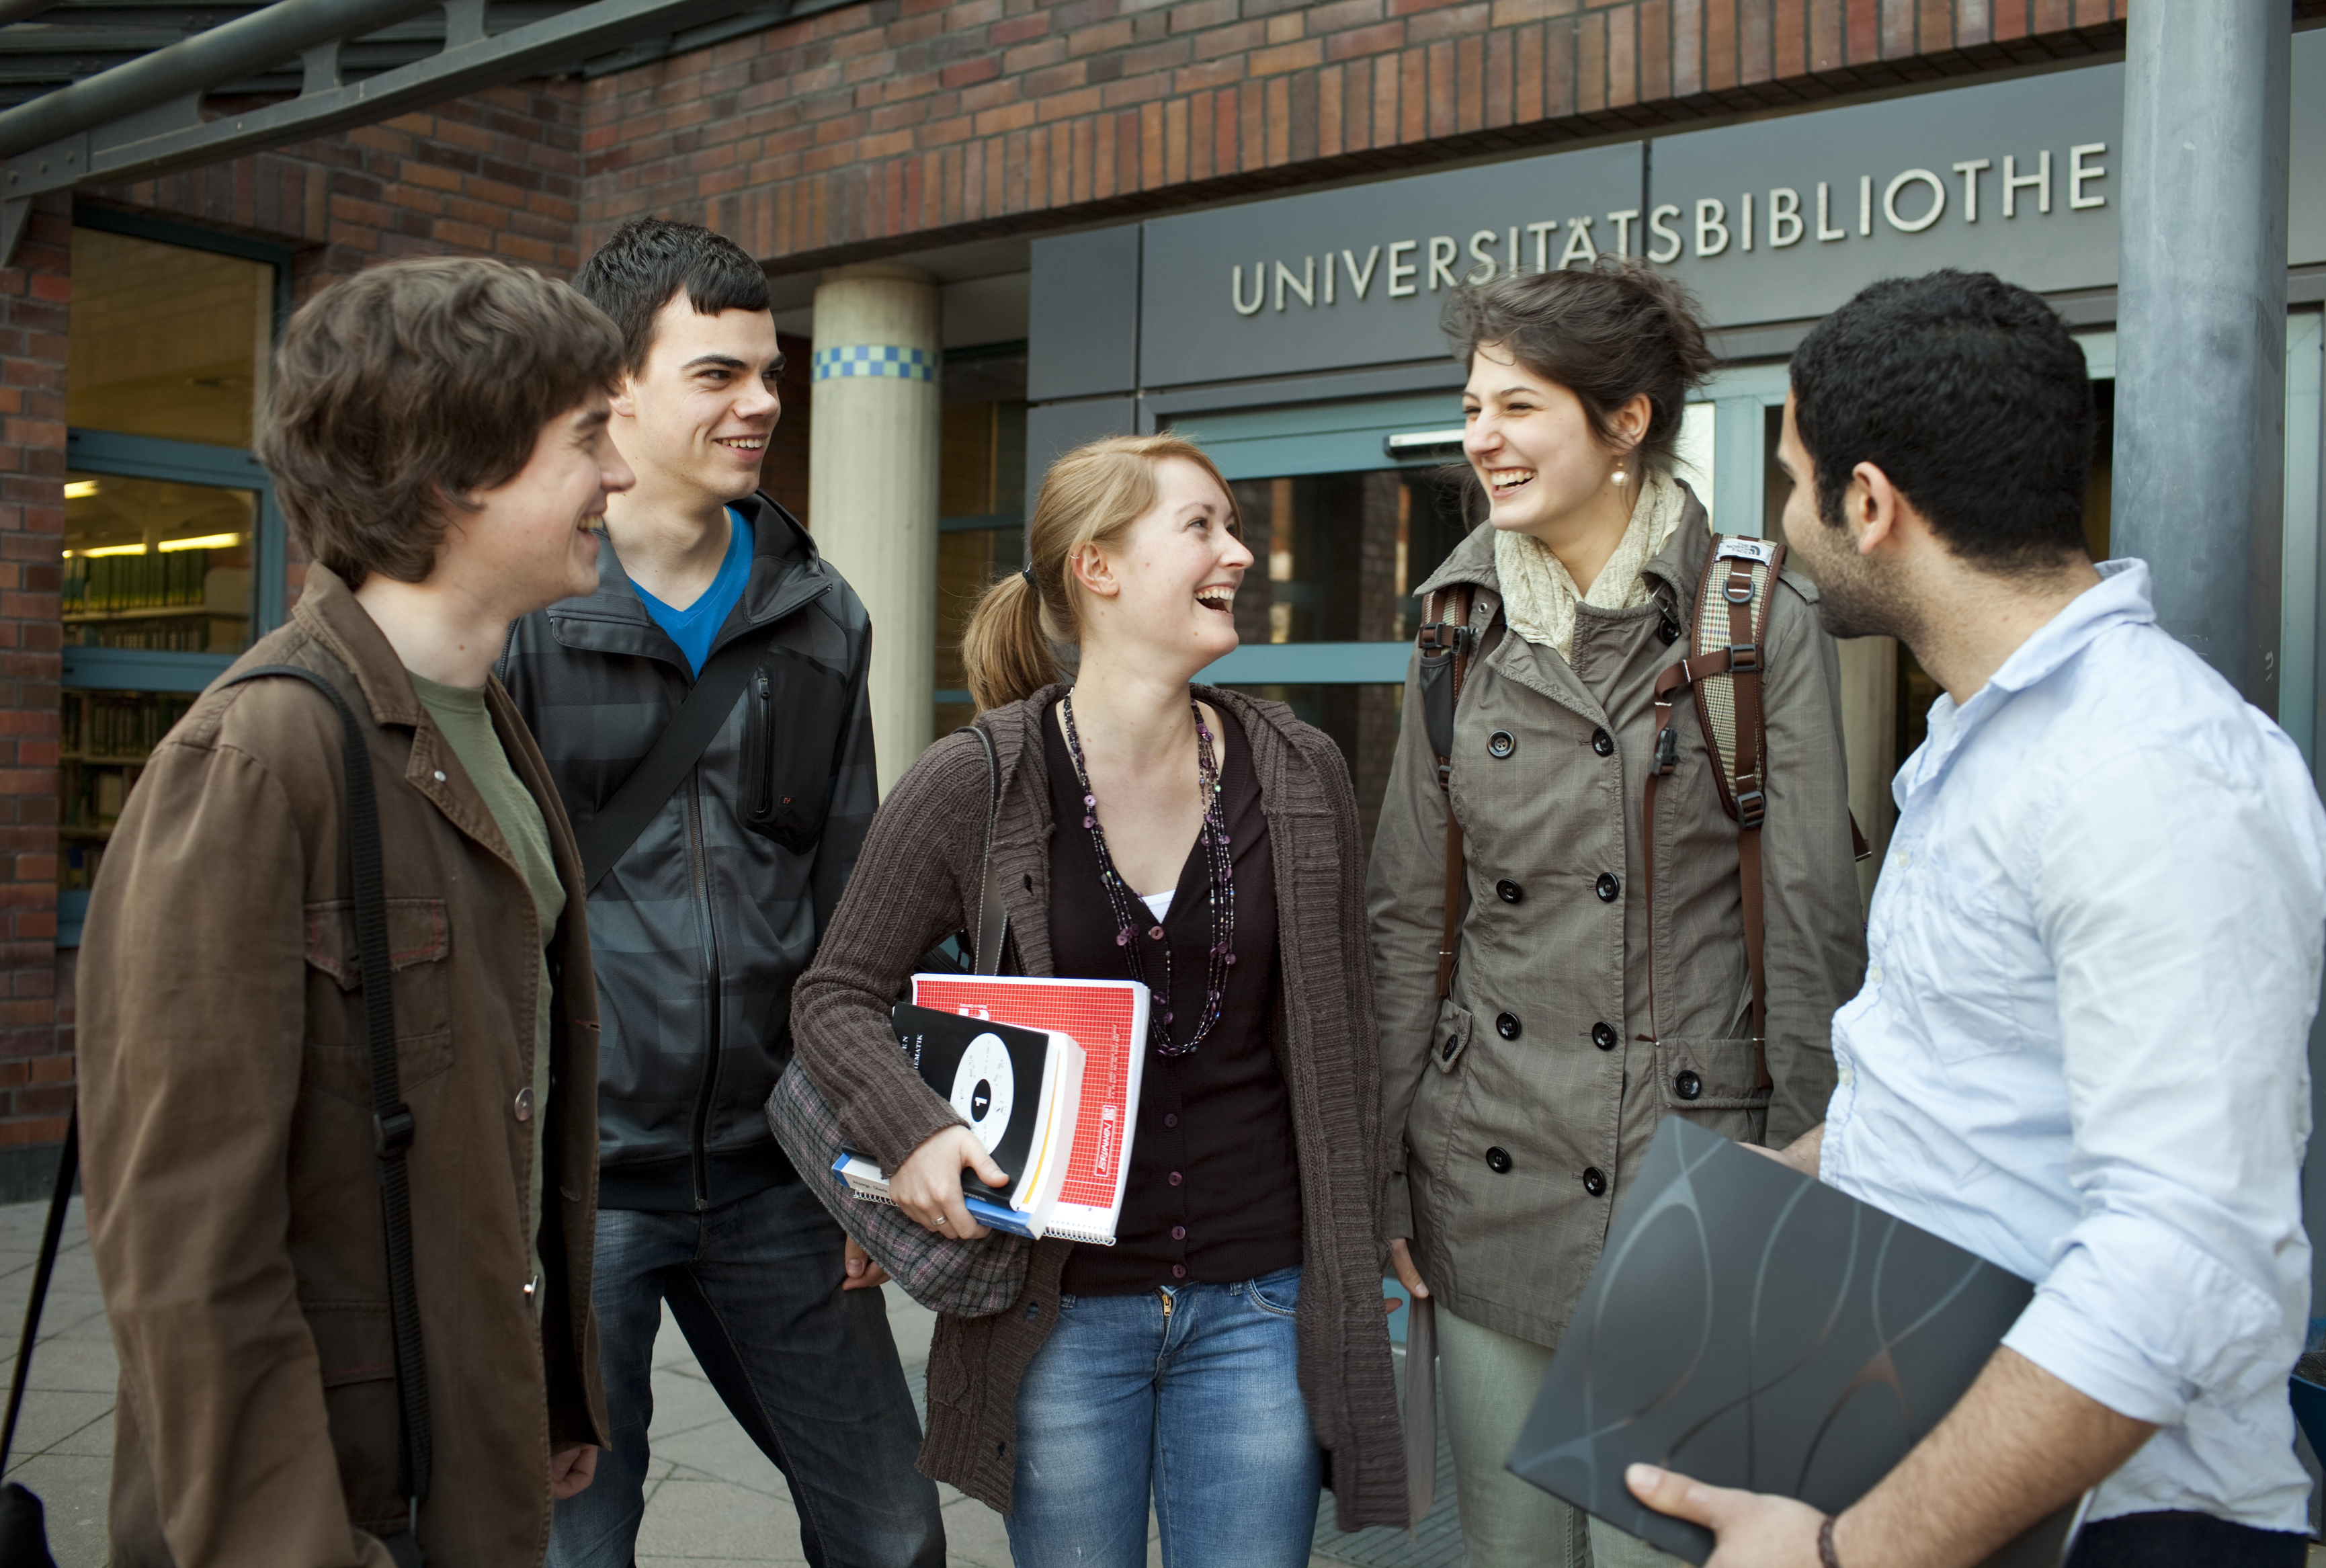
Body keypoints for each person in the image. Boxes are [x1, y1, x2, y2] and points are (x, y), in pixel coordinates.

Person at [1626, 270, 2326, 1567]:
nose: (1780, 528)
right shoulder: (1985, 736)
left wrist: (1850, 1555)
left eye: (1793, 484)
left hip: (2109, 1528)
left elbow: (2180, 1263)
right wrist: (1792, 1177)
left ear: (1870, 504)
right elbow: (2004, 1097)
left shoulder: (2150, 771)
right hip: (1943, 1465)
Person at [77, 256, 629, 1566]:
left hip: (466, 1471)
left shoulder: (486, 719)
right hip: (333, 1516)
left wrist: (548, 1387)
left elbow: (502, 1098)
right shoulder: (259, 761)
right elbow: (186, 1253)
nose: (617, 476)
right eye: (588, 438)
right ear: (457, 475)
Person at [790, 433, 1409, 1565]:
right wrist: (915, 1130)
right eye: (1203, 527)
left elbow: (1349, 1030)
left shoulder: (1298, 767)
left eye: (1233, 525)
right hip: (1060, 1318)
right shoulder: (976, 776)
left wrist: (1375, 1217)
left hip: (1260, 1302)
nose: (1241, 552)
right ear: (1099, 567)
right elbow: (833, 995)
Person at [1367, 260, 1867, 1568]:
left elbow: (1811, 913)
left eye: (1519, 406)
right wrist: (1381, 1173)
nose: (1481, 437)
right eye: (1473, 405)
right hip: (1486, 1173)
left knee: (1676, 1551)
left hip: (1698, 1172)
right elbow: (1406, 925)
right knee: (1511, 1552)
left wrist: (1813, 1162)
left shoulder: (1750, 616)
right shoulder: (1450, 629)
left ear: (1625, 422)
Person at [495, 217, 940, 1568]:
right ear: (614, 385)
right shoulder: (520, 603)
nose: (759, 402)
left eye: (769, 373)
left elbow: (854, 902)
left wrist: (869, 1145)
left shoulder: (823, 615)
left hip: (775, 1176)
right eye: (716, 375)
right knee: (574, 1547)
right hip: (578, 1186)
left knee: (892, 1532)